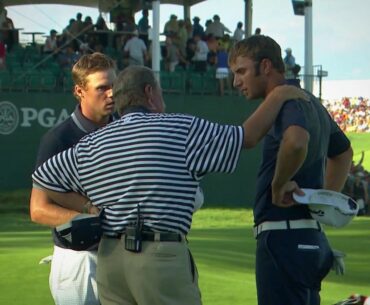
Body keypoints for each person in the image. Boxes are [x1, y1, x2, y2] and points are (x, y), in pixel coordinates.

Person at [32, 65, 307, 305]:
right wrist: (279, 95)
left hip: (110, 260)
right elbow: (246, 137)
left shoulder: (92, 143)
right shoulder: (179, 128)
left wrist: (87, 205)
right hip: (159, 255)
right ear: (150, 93)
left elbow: (43, 179)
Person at [228, 35, 353, 305]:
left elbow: (296, 141)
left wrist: (279, 183)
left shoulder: (286, 101)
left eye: (241, 71)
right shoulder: (311, 101)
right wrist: (321, 201)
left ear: (265, 66)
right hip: (310, 237)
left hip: (282, 238)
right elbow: (343, 153)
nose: (236, 82)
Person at [29, 52, 117, 305]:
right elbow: (38, 209)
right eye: (102, 88)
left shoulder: (126, 128)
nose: (111, 94)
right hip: (80, 262)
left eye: (115, 86)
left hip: (124, 258)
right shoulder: (58, 140)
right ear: (80, 91)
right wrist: (93, 219)